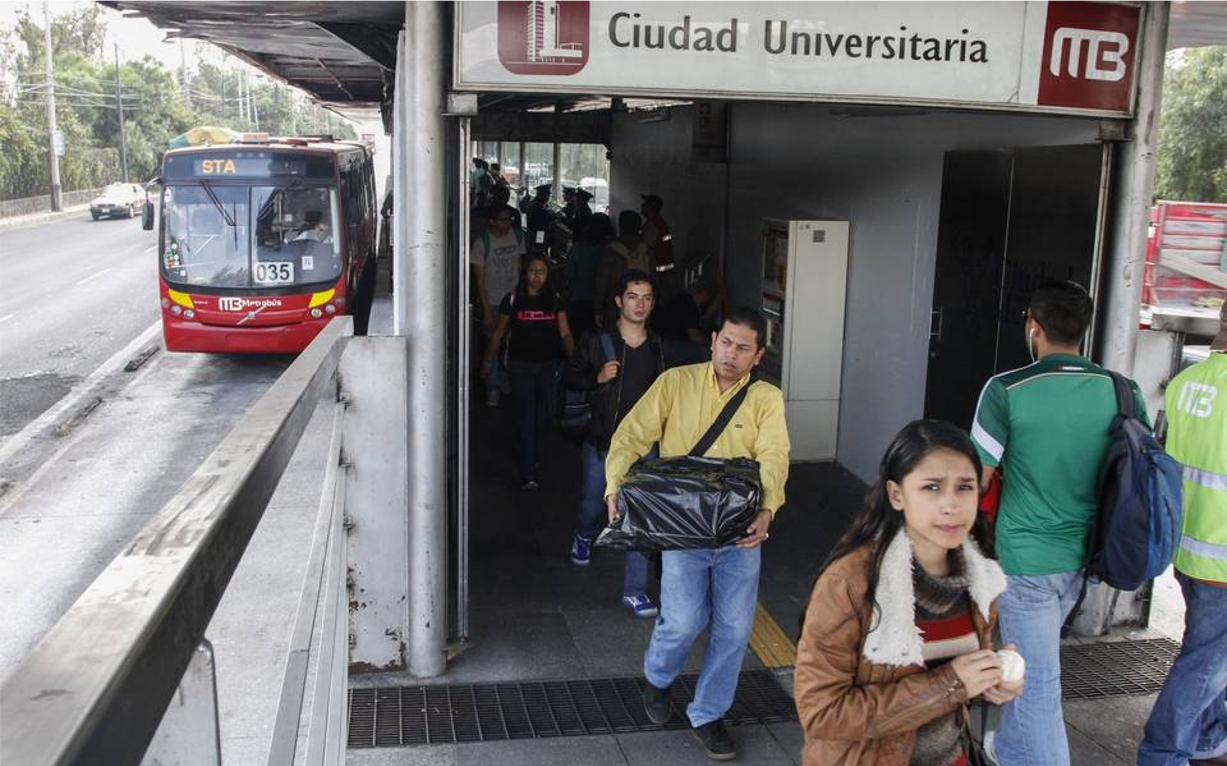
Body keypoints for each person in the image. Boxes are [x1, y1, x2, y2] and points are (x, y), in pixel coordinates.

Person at [969, 280, 1149, 766]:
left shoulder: (1006, 390)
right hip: (1090, 557)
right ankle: (1009, 752)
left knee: (1035, 685)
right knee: (1032, 666)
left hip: (1025, 559)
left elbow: (975, 479)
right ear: (1082, 330)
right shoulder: (1123, 390)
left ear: (1034, 326)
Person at [604, 308, 790, 760]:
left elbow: (774, 454)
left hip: (737, 530)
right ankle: (657, 678)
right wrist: (615, 487)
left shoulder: (766, 398)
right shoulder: (675, 383)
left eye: (743, 348)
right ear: (712, 340)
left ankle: (708, 713)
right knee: (684, 620)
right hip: (682, 528)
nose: (731, 353)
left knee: (735, 629)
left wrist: (768, 507)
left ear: (757, 356)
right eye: (726, 342)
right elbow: (631, 435)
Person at [795, 419, 1020, 766]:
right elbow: (822, 713)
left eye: (965, 487)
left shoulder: (981, 576)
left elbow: (960, 689)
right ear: (896, 495)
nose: (951, 505)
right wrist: (950, 685)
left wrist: (990, 681)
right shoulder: (850, 582)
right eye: (931, 487)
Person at [1138, 301, 1227, 766]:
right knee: (1204, 664)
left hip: (1187, 546)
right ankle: (1162, 753)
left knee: (1205, 651)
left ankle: (1208, 736)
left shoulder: (1186, 383)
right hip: (1223, 559)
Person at [564, 269, 665, 617]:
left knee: (639, 512)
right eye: (633, 297)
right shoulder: (597, 341)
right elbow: (569, 377)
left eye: (647, 298)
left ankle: (634, 591)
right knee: (593, 503)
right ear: (620, 301)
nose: (640, 304)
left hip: (643, 446)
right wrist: (597, 376)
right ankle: (583, 533)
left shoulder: (658, 346)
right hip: (602, 441)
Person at [482, 253, 574, 490]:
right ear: (525, 272)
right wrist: (488, 362)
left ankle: (531, 453)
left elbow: (564, 332)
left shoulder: (555, 300)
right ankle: (528, 470)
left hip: (547, 366)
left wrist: (574, 357)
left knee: (544, 414)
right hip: (520, 366)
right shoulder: (513, 299)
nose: (537, 276)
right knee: (527, 414)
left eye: (541, 271)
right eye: (533, 271)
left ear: (548, 274)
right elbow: (499, 333)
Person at [471, 206, 527, 407]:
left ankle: (505, 381)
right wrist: (486, 311)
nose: (507, 223)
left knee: (510, 345)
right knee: (492, 347)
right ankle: (492, 388)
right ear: (492, 221)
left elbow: (520, 266)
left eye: (509, 219)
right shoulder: (481, 243)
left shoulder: (518, 236)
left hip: (513, 300)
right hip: (493, 302)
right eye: (502, 220)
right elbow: (479, 281)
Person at [594, 210, 652, 330]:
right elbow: (655, 280)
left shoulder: (611, 250)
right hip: (642, 306)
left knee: (613, 338)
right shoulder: (647, 250)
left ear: (620, 227)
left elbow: (602, 282)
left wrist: (598, 308)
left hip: (615, 305)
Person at [563, 212, 614, 340]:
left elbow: (568, 273)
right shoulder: (610, 250)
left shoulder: (579, 247)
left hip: (579, 299)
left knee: (578, 338)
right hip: (604, 303)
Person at [641, 194, 677, 299]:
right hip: (663, 270)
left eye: (645, 204)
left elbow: (645, 249)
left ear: (652, 207)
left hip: (656, 271)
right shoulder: (660, 223)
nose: (642, 205)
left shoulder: (651, 225)